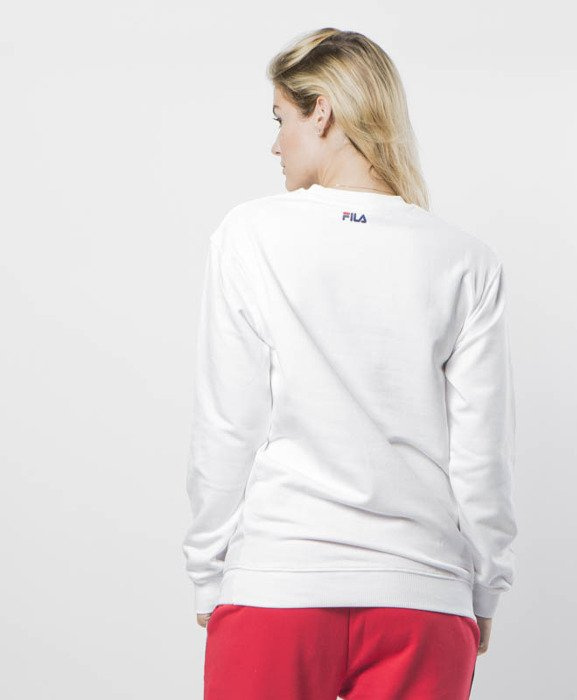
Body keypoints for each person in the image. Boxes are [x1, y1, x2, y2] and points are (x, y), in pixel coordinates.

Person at [182, 27, 517, 700]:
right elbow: (482, 455)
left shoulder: (250, 235)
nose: (276, 144)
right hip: (423, 599)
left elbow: (228, 423)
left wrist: (208, 572)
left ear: (322, 112)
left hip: (278, 586)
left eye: (281, 119)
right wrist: (484, 587)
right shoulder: (464, 260)